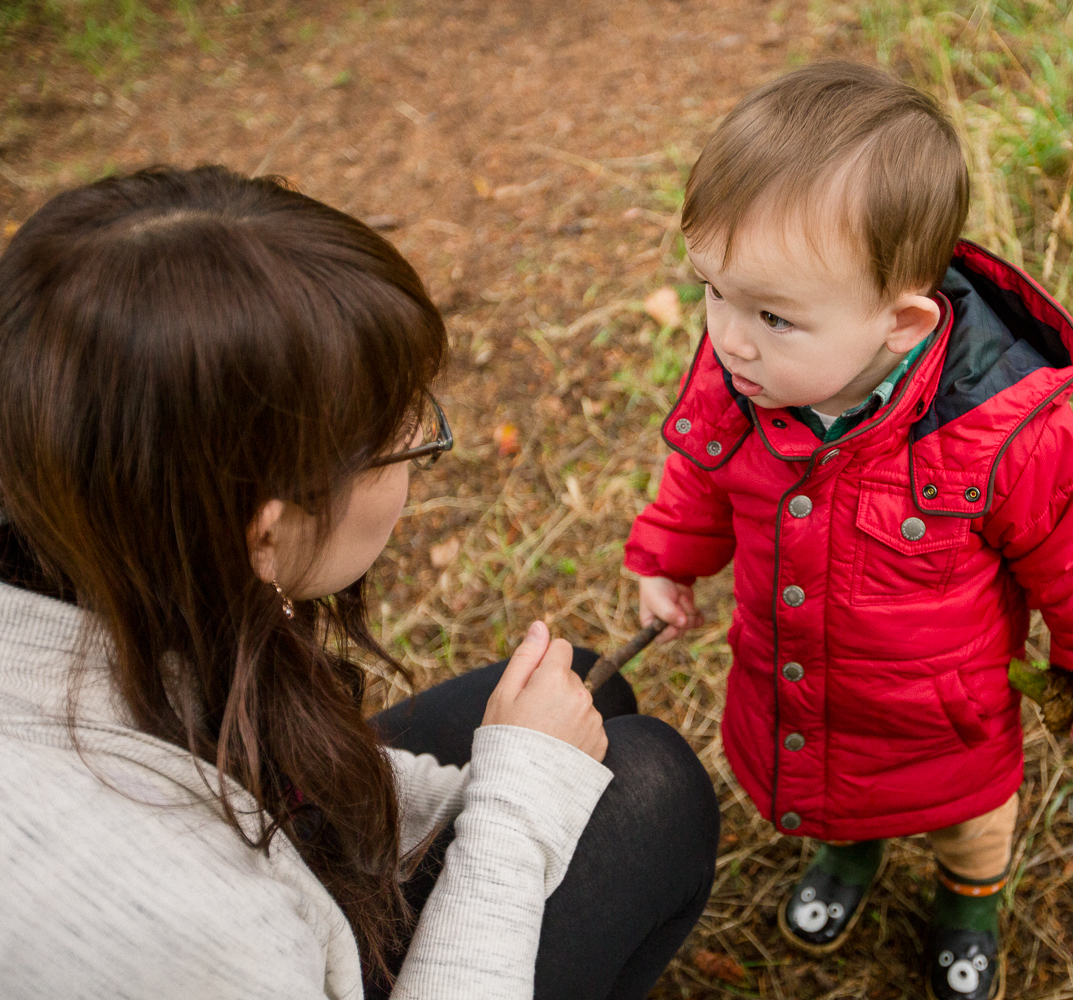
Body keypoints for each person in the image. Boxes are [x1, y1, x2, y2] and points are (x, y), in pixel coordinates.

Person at [0, 165, 718, 1000]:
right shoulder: (165, 912)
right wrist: (516, 812)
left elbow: (281, 800)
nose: (420, 453)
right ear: (263, 534)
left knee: (599, 696)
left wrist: (508, 779)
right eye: (402, 442)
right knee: (651, 789)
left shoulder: (82, 538)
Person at [624, 62, 1073, 1000]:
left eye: (774, 315)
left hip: (944, 718)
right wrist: (669, 557)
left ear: (902, 322)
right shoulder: (742, 382)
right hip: (806, 689)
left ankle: (968, 903)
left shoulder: (1003, 439)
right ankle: (847, 860)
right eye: (711, 291)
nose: (729, 336)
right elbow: (701, 477)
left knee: (968, 825)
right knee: (837, 798)